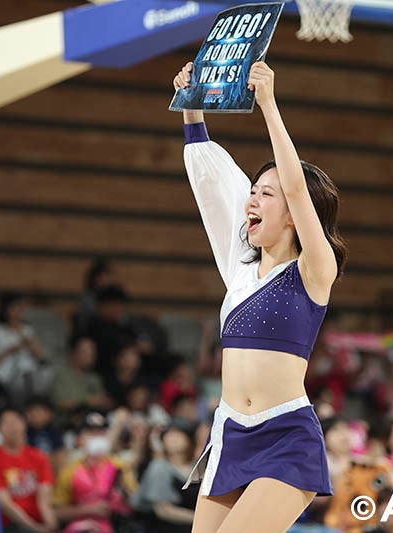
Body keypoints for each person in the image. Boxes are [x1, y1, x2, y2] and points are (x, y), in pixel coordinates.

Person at [172, 59, 347, 532]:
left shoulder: (314, 271)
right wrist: (192, 110)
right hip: (231, 432)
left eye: (265, 194)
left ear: (294, 213)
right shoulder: (240, 268)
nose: (251, 199)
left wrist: (268, 103)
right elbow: (212, 187)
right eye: (254, 190)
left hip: (286, 438)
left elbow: (295, 184)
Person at [53, 411, 133, 533]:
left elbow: (134, 502)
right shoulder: (69, 471)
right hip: (81, 527)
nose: (97, 436)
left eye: (101, 432)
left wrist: (123, 493)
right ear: (79, 439)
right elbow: (57, 512)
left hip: (116, 526)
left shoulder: (119, 466)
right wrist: (88, 510)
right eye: (91, 432)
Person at [0, 405, 58, 533]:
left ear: (24, 424)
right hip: (10, 525)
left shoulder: (38, 456)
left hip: (38, 521)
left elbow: (44, 499)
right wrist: (35, 529)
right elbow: (5, 503)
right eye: (6, 423)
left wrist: (50, 526)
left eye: (15, 421)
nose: (12, 427)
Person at [0, 293, 51, 405]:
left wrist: (30, 344)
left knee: (46, 374)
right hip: (4, 376)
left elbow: (41, 356)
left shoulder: (27, 330)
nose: (19, 311)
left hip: (29, 374)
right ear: (5, 309)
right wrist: (10, 350)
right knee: (20, 383)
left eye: (20, 308)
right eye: (14, 307)